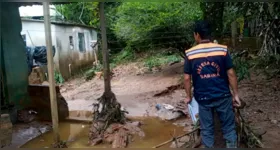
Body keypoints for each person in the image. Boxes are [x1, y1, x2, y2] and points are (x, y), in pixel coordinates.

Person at [184, 20, 241, 148]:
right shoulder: (222, 50)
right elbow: (231, 74)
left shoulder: (190, 53)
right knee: (229, 128)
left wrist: (188, 96)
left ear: (197, 35)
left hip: (203, 99)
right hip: (223, 96)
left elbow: (187, 78)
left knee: (207, 131)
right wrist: (236, 94)